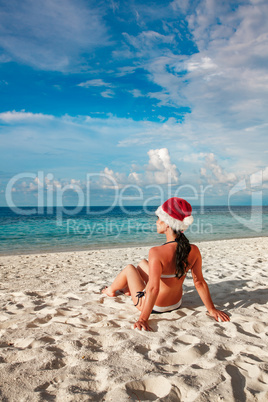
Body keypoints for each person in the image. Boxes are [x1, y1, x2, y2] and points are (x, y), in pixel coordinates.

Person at [102, 197, 230, 331]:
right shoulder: (193, 250)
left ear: (168, 223)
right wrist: (212, 309)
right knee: (142, 263)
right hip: (176, 304)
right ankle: (126, 289)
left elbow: (153, 288)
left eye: (159, 218)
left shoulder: (156, 252)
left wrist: (143, 319)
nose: (157, 222)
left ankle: (110, 290)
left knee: (129, 268)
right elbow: (199, 283)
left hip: (155, 307)